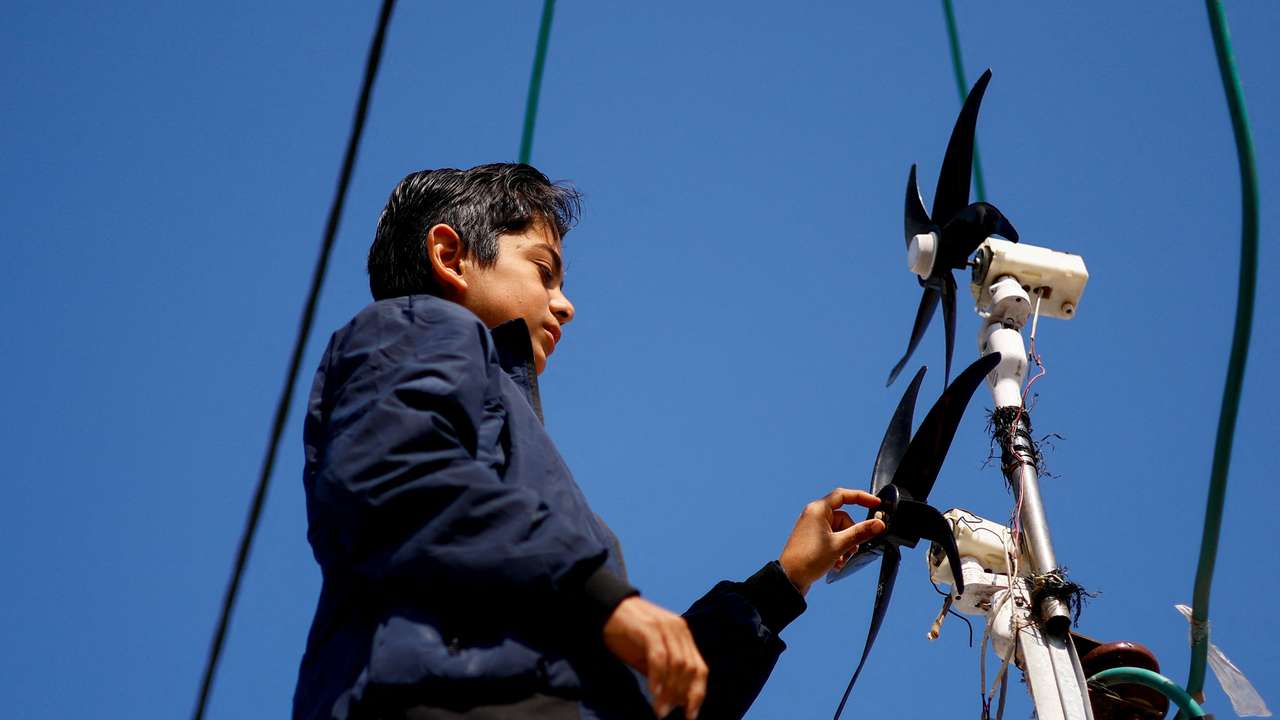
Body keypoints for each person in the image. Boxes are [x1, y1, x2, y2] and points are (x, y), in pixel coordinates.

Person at [294, 163, 886, 720]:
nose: (566, 305)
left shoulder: (531, 500)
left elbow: (656, 695)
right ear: (451, 256)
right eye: (542, 271)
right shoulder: (412, 329)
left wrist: (784, 583)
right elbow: (407, 478)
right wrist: (600, 597)